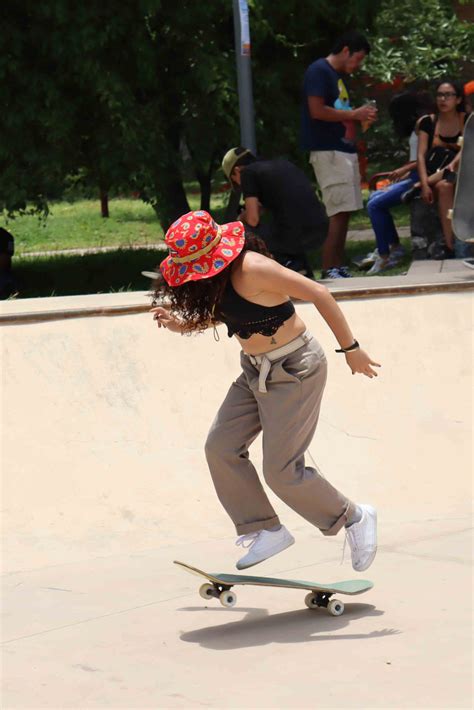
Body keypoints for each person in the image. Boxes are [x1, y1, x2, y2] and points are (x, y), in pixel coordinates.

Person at [149, 210, 379, 572]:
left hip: (295, 369)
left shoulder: (253, 267)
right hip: (254, 371)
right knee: (220, 447)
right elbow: (231, 312)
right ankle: (266, 528)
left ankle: (354, 517)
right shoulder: (218, 279)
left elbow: (319, 293)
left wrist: (352, 349)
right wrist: (182, 325)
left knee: (282, 472)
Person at [302, 31, 377, 279]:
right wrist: (354, 114)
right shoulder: (318, 71)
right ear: (346, 50)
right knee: (336, 210)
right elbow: (316, 110)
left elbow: (341, 111)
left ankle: (337, 265)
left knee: (345, 209)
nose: (357, 66)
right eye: (357, 58)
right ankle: (328, 268)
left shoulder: (337, 77)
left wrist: (359, 120)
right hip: (328, 151)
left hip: (343, 150)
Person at [221, 147, 328, 279]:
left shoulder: (247, 173)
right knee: (283, 223)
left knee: (244, 230)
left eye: (235, 182)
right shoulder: (282, 164)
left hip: (296, 233)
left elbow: (253, 219)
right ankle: (302, 268)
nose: (239, 185)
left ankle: (287, 264)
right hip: (320, 227)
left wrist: (241, 216)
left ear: (237, 171)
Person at [362, 91, 434, 274]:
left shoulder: (424, 123)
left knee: (375, 205)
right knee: (375, 196)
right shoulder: (419, 124)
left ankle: (385, 255)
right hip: (413, 175)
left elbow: (429, 156)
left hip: (421, 177)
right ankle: (393, 246)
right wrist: (406, 172)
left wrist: (405, 169)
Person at [403, 79, 467, 257]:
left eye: (448, 95)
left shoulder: (467, 119)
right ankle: (450, 245)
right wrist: (424, 184)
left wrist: (452, 165)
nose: (443, 99)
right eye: (440, 95)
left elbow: (468, 149)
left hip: (464, 171)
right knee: (444, 187)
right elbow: (421, 155)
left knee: (455, 166)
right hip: (442, 175)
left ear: (459, 99)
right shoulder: (428, 122)